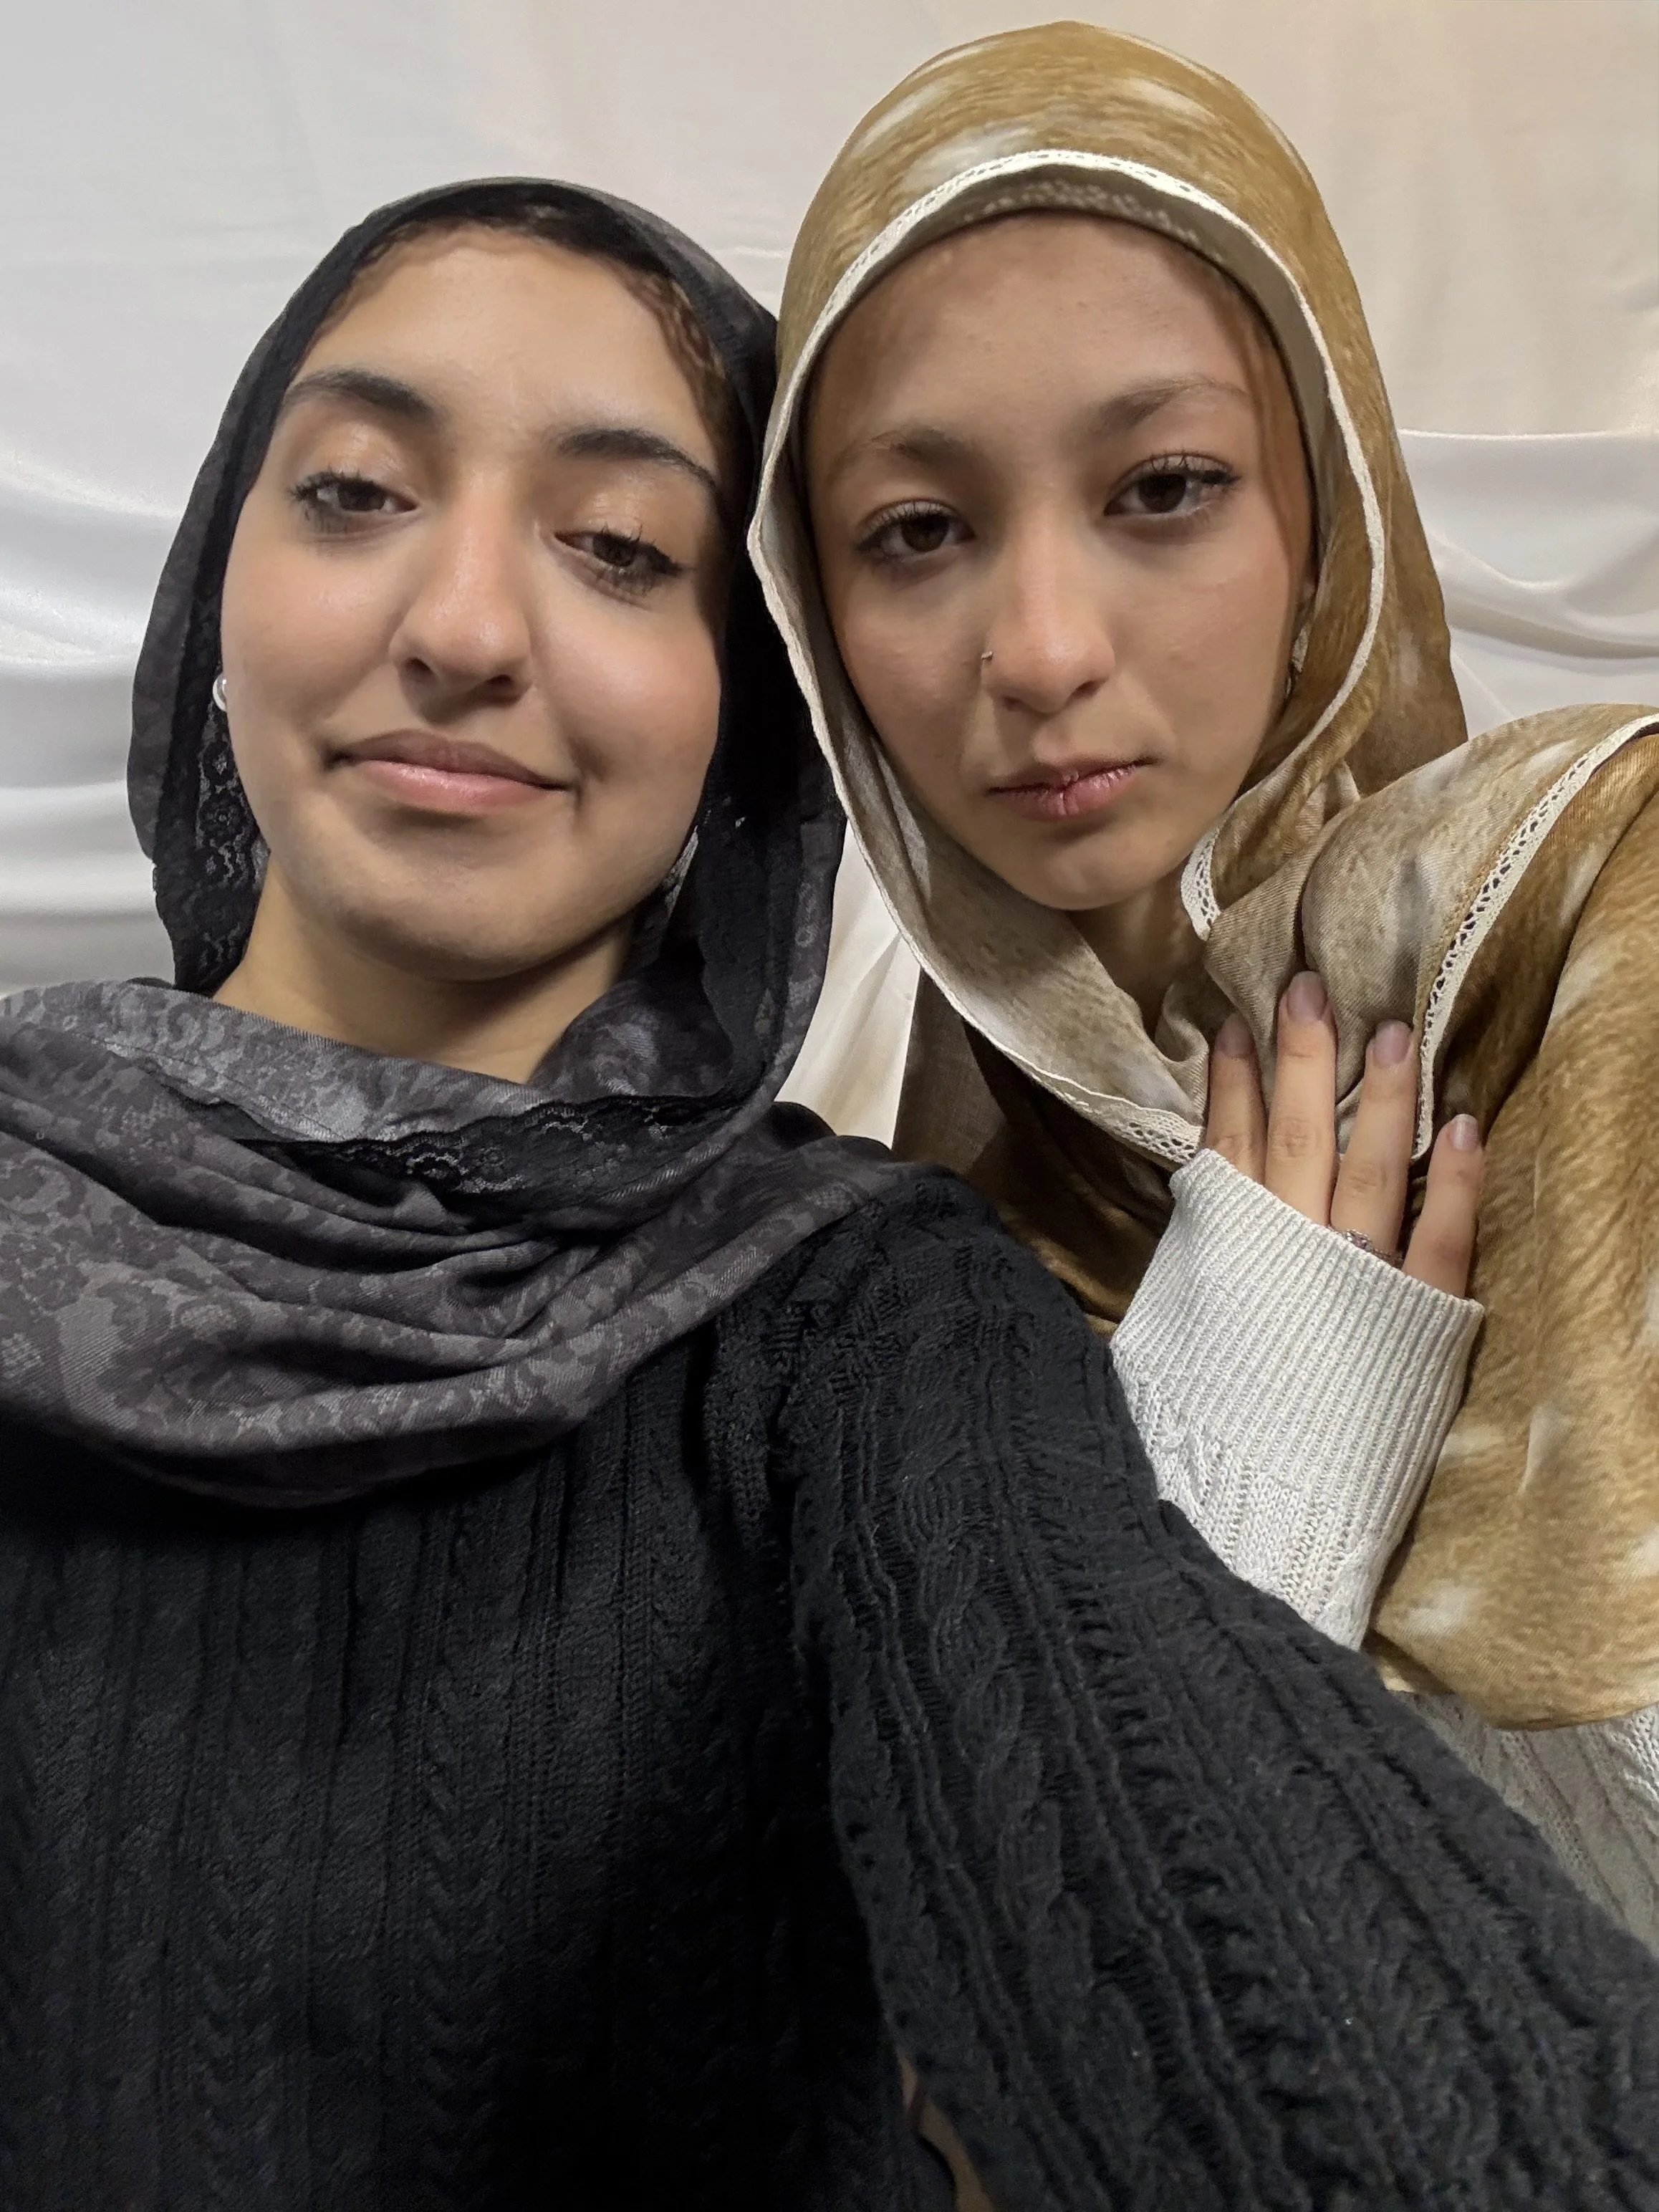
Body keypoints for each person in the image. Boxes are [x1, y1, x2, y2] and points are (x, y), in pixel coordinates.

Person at [0, 175, 1654, 2212]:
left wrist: (1250, 1498)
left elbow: (1161, 1845)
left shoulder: (852, 1319)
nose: (456, 629)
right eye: (355, 491)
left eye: (618, 547)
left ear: (749, 721)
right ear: (214, 587)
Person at [753, 19, 1659, 1953]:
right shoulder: (874, 1158)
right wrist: (1257, 1477)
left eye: (1160, 486)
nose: (1044, 648)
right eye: (914, 532)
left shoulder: (1604, 911)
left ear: (1318, 503)